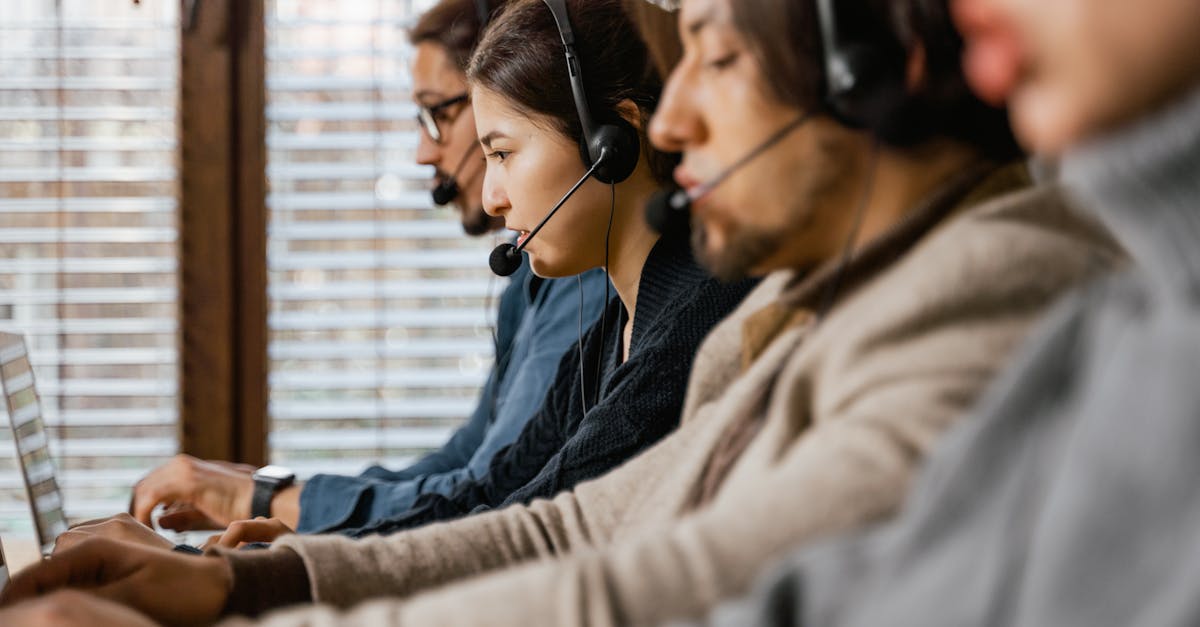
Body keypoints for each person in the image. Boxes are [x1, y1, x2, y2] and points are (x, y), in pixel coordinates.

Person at [0, 0, 1120, 624]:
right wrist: (242, 580)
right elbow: (570, 523)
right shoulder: (792, 314)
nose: (672, 127)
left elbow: (663, 587)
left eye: (717, 59)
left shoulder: (987, 286)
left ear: (874, 73)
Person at [675, 0, 1200, 624]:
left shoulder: (1000, 290)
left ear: (857, 69)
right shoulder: (1115, 332)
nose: (669, 124)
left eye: (719, 59)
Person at [122, 0, 610, 537]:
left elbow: (482, 496)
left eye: (438, 113)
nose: (424, 152)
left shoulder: (588, 281)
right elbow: (465, 464)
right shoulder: (532, 276)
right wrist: (268, 494)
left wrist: (262, 499)